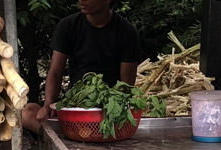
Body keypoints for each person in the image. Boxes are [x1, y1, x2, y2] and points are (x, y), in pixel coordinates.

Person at [22, 0, 142, 133]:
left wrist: (113, 109)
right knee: (27, 112)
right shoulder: (68, 25)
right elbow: (55, 72)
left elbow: (126, 86)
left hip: (107, 106)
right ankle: (55, 141)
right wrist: (48, 105)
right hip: (73, 103)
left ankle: (73, 135)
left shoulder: (126, 32)